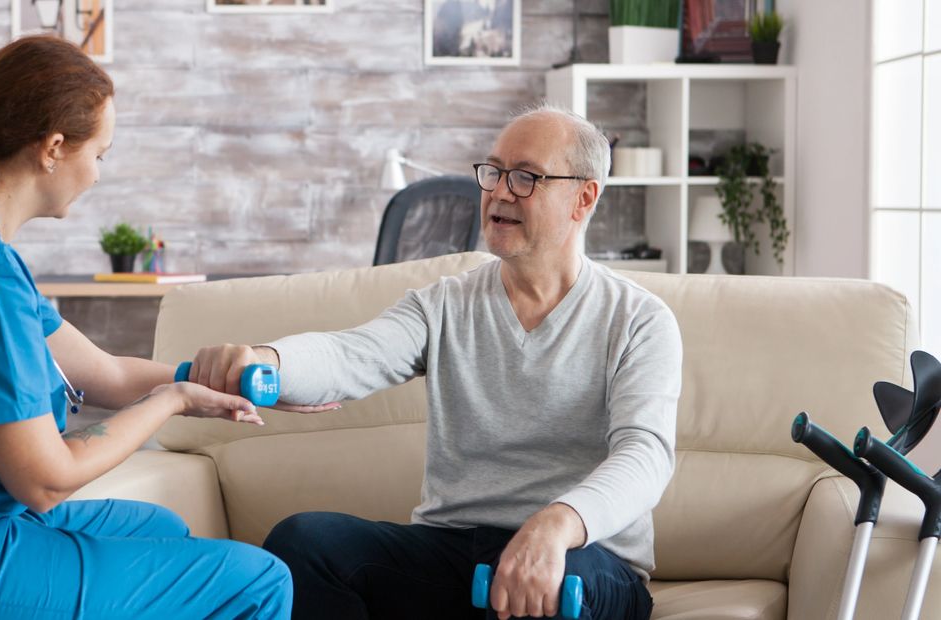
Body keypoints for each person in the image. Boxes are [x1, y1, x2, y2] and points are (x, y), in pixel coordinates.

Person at [0, 35, 294, 619]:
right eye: (100, 154)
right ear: (54, 148)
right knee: (259, 580)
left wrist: (211, 382)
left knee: (163, 526)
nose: (97, 175)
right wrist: (171, 400)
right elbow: (47, 480)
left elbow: (105, 373)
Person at [187, 103, 682, 620]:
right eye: (493, 172)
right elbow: (352, 353)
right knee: (306, 542)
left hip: (586, 557)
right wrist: (265, 359)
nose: (499, 191)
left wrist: (558, 523)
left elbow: (644, 455)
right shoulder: (443, 305)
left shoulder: (639, 320)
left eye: (525, 177)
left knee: (556, 587)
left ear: (584, 198)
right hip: (455, 550)